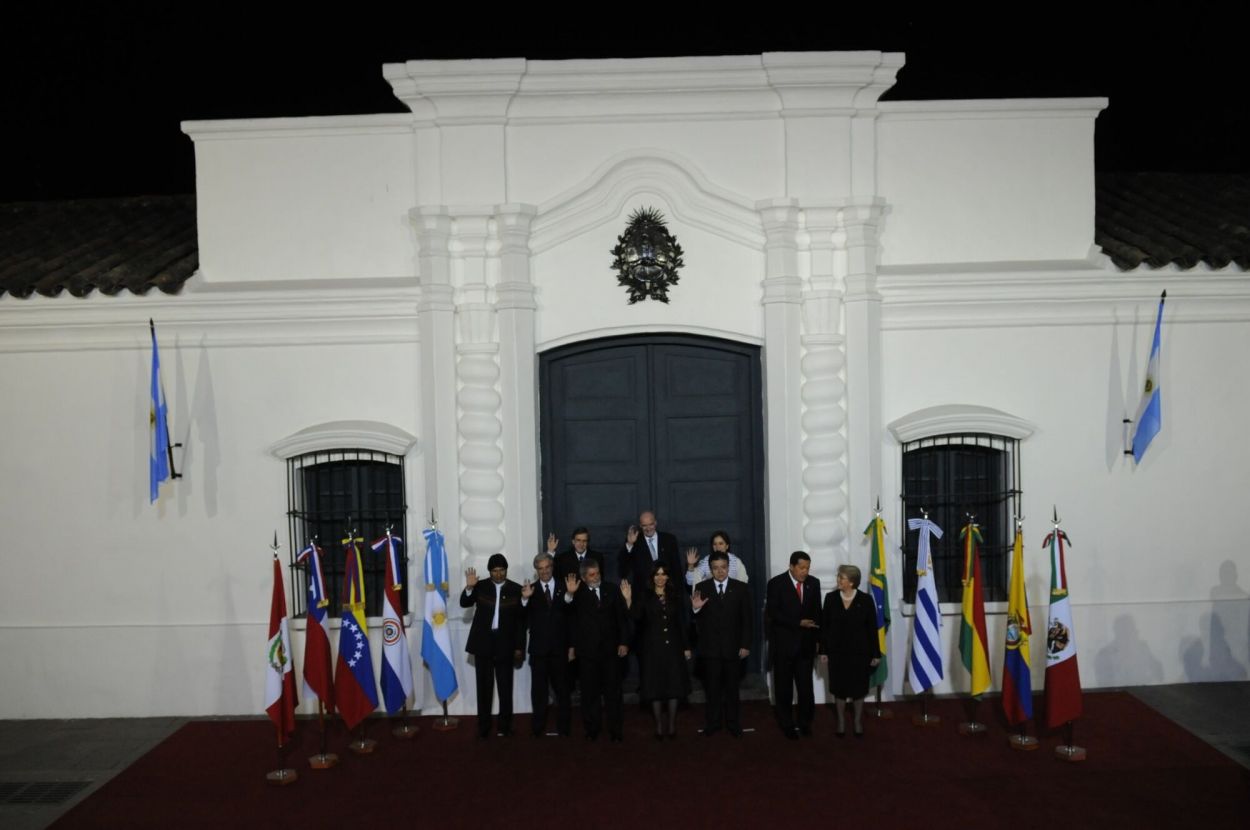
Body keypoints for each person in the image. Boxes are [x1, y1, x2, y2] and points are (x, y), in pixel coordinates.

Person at [563, 560, 631, 742]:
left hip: (611, 651)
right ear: (584, 577)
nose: (596, 577)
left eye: (598, 573)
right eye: (592, 575)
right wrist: (570, 594)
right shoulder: (577, 593)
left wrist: (624, 642)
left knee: (613, 693)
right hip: (587, 653)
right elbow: (567, 612)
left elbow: (622, 618)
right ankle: (592, 729)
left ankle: (616, 730)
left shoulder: (612, 589)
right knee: (589, 693)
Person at [459, 554, 525, 739]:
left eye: (502, 570)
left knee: (505, 688)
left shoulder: (516, 589)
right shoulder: (480, 586)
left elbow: (521, 621)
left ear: (506, 570)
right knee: (484, 688)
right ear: (489, 572)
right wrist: (469, 587)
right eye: (495, 571)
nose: (498, 574)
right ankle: (483, 727)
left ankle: (505, 726)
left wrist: (519, 646)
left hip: (506, 644)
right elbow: (464, 602)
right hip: (483, 644)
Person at [691, 550, 753, 737]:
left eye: (723, 567)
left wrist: (745, 645)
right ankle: (713, 723)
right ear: (710, 569)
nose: (720, 571)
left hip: (733, 648)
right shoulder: (702, 587)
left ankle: (733, 724)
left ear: (728, 567)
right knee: (712, 690)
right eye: (716, 568)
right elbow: (695, 622)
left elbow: (747, 620)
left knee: (732, 690)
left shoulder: (741, 588)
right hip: (710, 649)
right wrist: (695, 609)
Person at [631, 561, 692, 739]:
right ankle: (658, 726)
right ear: (652, 577)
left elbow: (681, 622)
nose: (660, 577)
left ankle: (672, 726)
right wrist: (628, 601)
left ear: (668, 576)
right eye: (657, 574)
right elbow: (636, 617)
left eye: (663, 574)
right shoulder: (644, 595)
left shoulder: (675, 594)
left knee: (674, 686)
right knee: (654, 687)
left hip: (673, 647)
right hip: (652, 647)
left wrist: (686, 647)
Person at [764, 551, 822, 739]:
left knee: (806, 689)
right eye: (801, 568)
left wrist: (818, 641)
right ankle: (787, 724)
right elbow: (773, 613)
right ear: (791, 566)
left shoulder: (814, 583)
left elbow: (817, 612)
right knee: (783, 689)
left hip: (805, 647)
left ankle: (805, 723)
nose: (805, 571)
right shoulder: (776, 584)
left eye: (807, 568)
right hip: (783, 646)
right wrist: (798, 623)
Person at [820, 564, 881, 738]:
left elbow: (872, 629)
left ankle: (857, 722)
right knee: (838, 688)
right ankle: (840, 722)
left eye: (842, 577)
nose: (838, 580)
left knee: (858, 689)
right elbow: (824, 627)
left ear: (852, 582)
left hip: (859, 654)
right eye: (838, 576)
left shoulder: (866, 600)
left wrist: (875, 653)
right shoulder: (830, 599)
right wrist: (823, 650)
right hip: (837, 653)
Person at [521, 551, 571, 737]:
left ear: (552, 567)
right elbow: (521, 618)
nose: (544, 571)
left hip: (560, 648)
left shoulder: (565, 587)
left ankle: (564, 728)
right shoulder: (529, 590)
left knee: (562, 691)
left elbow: (572, 616)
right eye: (540, 568)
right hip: (539, 650)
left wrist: (570, 595)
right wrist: (525, 599)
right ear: (536, 570)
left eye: (547, 567)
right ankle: (538, 728)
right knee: (538, 692)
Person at [619, 511, 682, 591]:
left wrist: (678, 592)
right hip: (643, 593)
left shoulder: (669, 539)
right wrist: (630, 544)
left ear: (655, 523)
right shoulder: (634, 541)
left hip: (667, 591)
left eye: (651, 524)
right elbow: (623, 570)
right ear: (640, 526)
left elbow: (677, 569)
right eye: (644, 525)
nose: (648, 528)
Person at [684, 530, 750, 587]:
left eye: (721, 543)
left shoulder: (736, 562)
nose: (717, 547)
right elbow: (691, 582)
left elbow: (743, 583)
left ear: (727, 546)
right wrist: (690, 565)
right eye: (714, 544)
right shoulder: (706, 561)